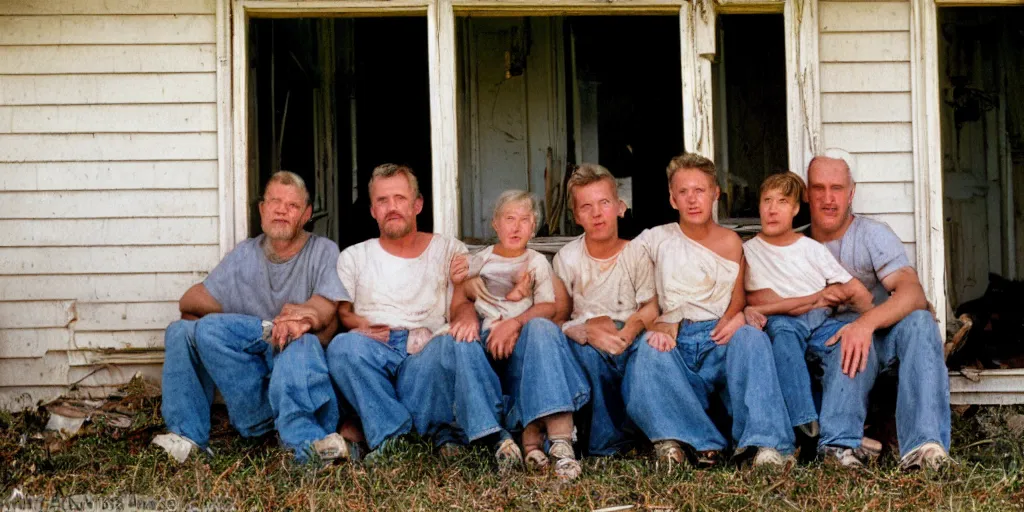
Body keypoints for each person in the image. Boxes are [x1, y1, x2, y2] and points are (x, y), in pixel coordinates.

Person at [324, 164, 519, 465]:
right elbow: (343, 312)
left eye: (400, 199)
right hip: (375, 351)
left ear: (418, 205)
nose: (392, 208)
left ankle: (491, 434)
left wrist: (466, 315)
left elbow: (462, 298)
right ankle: (393, 436)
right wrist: (361, 325)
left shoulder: (447, 249)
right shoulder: (355, 256)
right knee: (341, 348)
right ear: (373, 210)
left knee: (460, 340)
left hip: (427, 352)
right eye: (382, 201)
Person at [154, 171, 349, 463]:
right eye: (274, 202)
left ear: (307, 214)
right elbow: (190, 302)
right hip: (253, 378)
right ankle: (188, 437)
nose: (281, 210)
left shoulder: (323, 250)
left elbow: (324, 311)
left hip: (298, 372)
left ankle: (308, 444)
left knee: (302, 341)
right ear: (261, 209)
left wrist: (297, 321)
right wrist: (250, 328)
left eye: (292, 206)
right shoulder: (245, 254)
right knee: (182, 330)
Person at [623, 153, 795, 468]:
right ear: (672, 199)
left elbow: (739, 296)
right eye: (683, 192)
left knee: (753, 341)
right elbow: (634, 285)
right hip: (676, 337)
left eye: (700, 190)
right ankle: (697, 443)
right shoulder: (655, 239)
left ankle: (766, 446)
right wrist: (659, 322)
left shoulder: (732, 242)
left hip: (719, 335)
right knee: (646, 355)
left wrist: (735, 317)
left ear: (715, 193)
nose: (692, 200)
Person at [800, 149, 950, 470]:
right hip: (823, 350)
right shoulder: (794, 246)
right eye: (819, 188)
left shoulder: (871, 235)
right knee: (846, 340)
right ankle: (838, 447)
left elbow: (912, 293)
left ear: (851, 193)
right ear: (806, 193)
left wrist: (864, 324)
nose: (828, 198)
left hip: (881, 340)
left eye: (837, 188)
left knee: (920, 321)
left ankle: (924, 448)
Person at [451, 190, 590, 480]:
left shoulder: (536, 261)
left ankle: (559, 444)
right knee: (461, 342)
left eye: (524, 220)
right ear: (495, 224)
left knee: (542, 327)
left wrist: (513, 325)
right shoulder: (481, 260)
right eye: (509, 219)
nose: (516, 227)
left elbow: (549, 306)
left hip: (525, 346)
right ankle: (499, 439)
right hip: (488, 345)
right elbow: (461, 297)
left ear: (533, 227)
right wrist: (463, 285)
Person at [741, 171, 874, 445]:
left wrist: (870, 318)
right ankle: (806, 426)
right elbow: (765, 302)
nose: (772, 209)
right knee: (784, 338)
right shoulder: (749, 251)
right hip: (782, 322)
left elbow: (853, 289)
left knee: (852, 340)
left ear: (795, 209)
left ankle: (842, 434)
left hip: (822, 321)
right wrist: (818, 296)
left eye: (782, 202)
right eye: (767, 201)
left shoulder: (810, 248)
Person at [551, 164, 659, 457]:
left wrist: (628, 333)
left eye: (604, 203)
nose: (597, 213)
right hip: (589, 337)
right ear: (575, 216)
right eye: (586, 207)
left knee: (647, 356)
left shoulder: (636, 252)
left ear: (620, 207)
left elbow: (650, 307)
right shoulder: (567, 258)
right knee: (587, 357)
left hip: (629, 331)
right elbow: (560, 317)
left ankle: (653, 435)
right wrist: (585, 332)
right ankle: (606, 445)